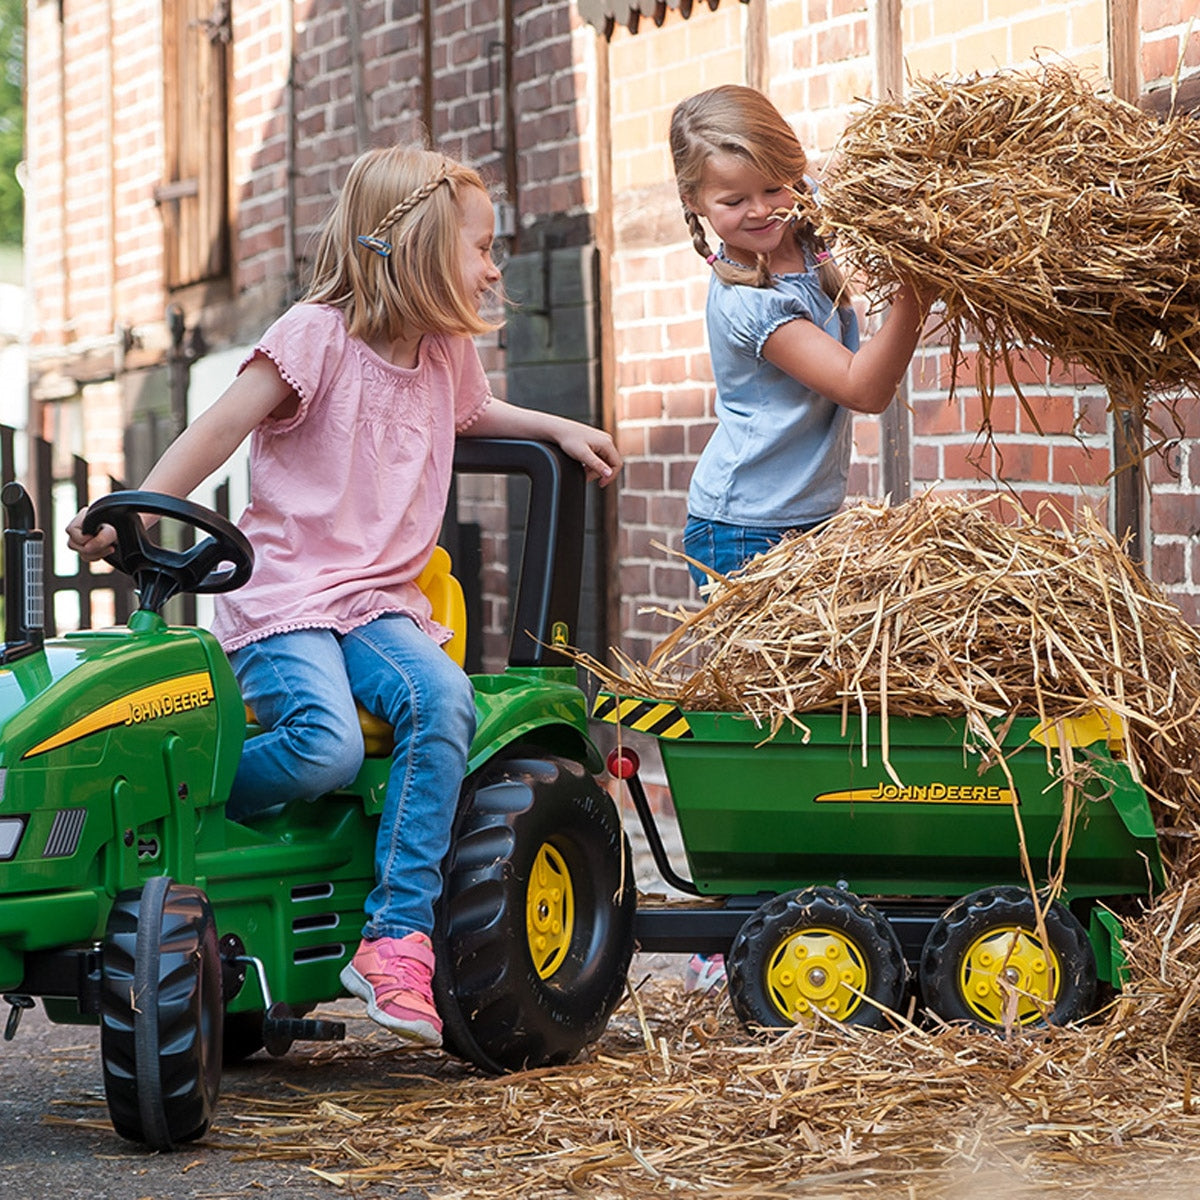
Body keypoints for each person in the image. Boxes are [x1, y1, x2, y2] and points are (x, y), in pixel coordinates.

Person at [66, 145, 621, 1048]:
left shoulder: (443, 355)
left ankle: (396, 939)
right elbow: (220, 427)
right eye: (479, 249)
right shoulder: (314, 336)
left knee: (443, 697)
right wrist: (127, 509)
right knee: (322, 748)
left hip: (379, 602)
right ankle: (191, 811)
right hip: (285, 595)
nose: (492, 269)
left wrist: (559, 424)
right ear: (415, 250)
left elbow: (474, 416)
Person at [668, 85, 931, 992]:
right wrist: (921, 292)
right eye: (733, 201)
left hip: (807, 527)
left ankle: (808, 900)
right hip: (745, 535)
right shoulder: (749, 305)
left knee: (813, 724)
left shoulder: (806, 243)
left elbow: (831, 215)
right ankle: (724, 933)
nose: (762, 212)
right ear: (696, 206)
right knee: (761, 732)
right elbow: (862, 387)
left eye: (776, 185)